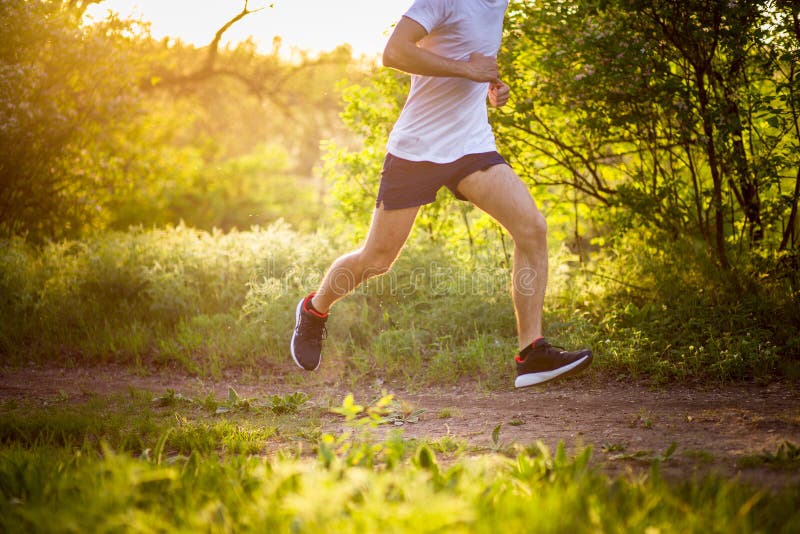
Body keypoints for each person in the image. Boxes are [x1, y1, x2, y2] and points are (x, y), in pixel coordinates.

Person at [291, 0, 592, 388]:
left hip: (470, 144)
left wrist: (491, 88)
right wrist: (468, 70)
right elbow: (394, 52)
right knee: (378, 259)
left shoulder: (498, 4)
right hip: (417, 148)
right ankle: (314, 310)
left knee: (532, 228)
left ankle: (531, 353)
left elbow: (469, 61)